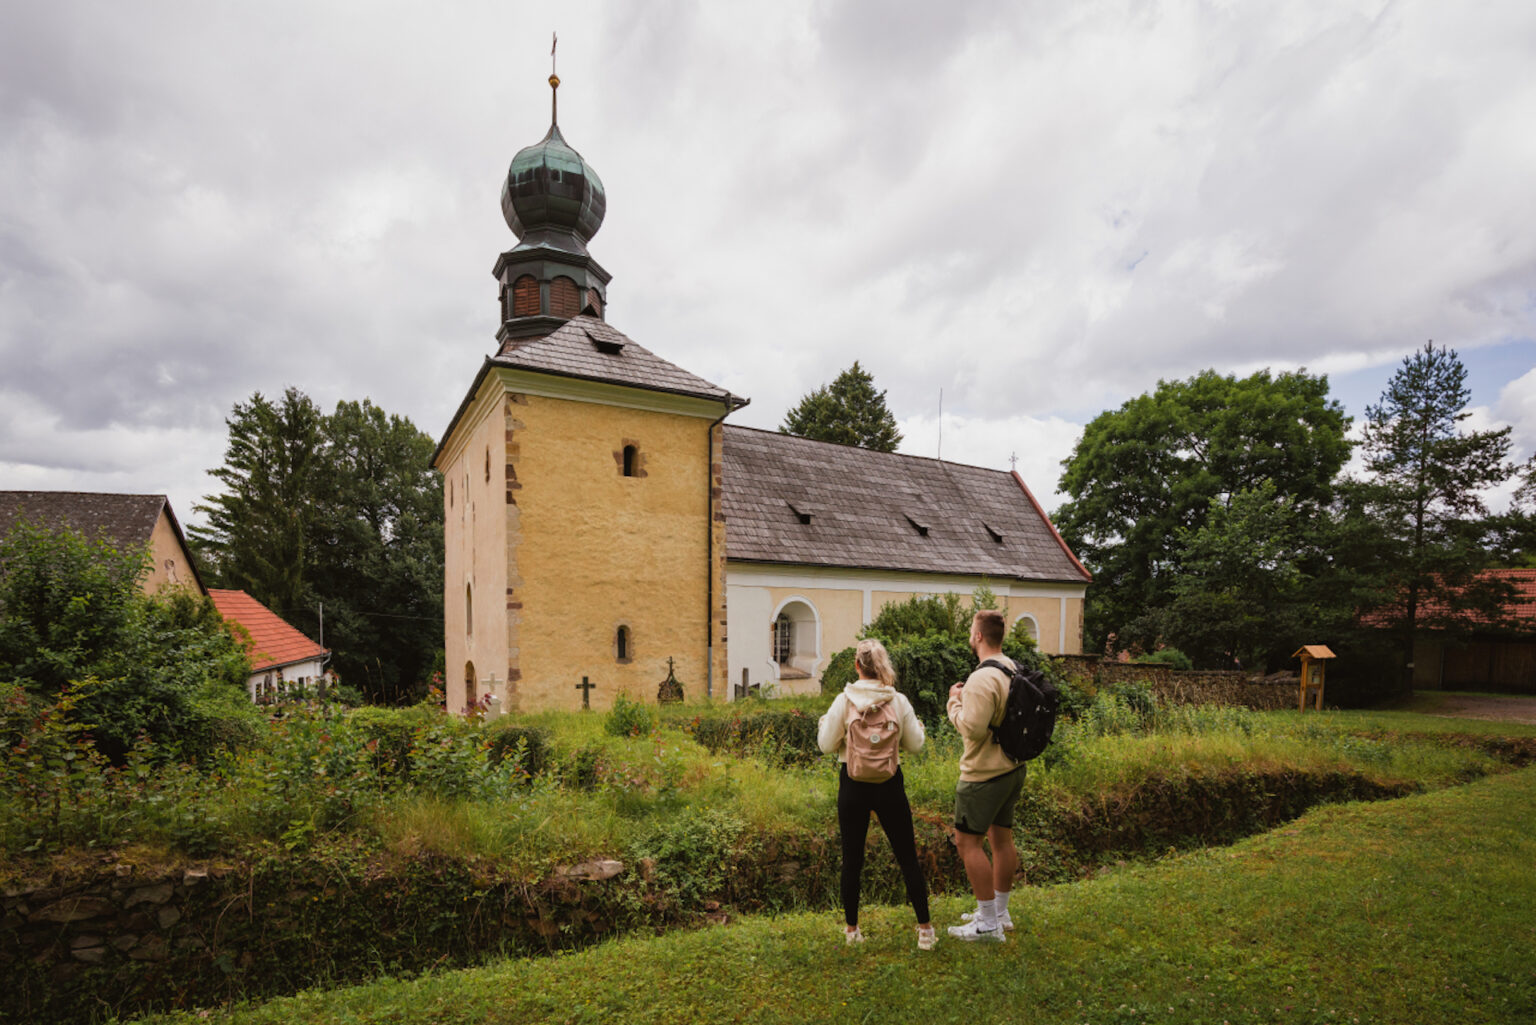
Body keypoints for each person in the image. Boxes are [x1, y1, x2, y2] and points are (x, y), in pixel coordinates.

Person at [817, 638, 935, 950]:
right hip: (890, 783)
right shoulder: (898, 701)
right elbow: (916, 745)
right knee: (907, 856)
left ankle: (852, 930)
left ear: (857, 666)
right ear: (883, 666)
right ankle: (925, 929)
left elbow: (826, 745)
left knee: (852, 859)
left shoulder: (844, 700)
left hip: (853, 784)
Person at [945, 609, 1022, 942]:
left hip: (983, 774)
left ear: (978, 636)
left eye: (971, 631)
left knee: (968, 843)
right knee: (1001, 840)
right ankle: (999, 913)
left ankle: (987, 925)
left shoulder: (981, 678)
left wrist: (953, 703)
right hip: (1011, 768)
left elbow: (972, 730)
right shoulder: (1011, 667)